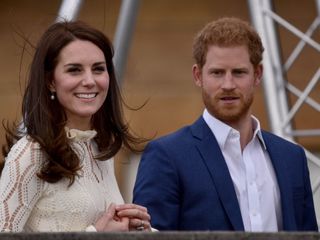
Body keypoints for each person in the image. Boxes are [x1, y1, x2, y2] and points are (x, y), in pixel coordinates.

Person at [133, 17, 318, 231]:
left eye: (239, 72)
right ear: (198, 75)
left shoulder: (292, 158)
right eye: (217, 73)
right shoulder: (167, 156)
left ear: (257, 75)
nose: (228, 84)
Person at [0, 20, 151, 232]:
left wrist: (137, 231)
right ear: (50, 81)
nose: (89, 80)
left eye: (98, 69)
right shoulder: (30, 153)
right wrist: (96, 235)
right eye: (74, 70)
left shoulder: (100, 150)